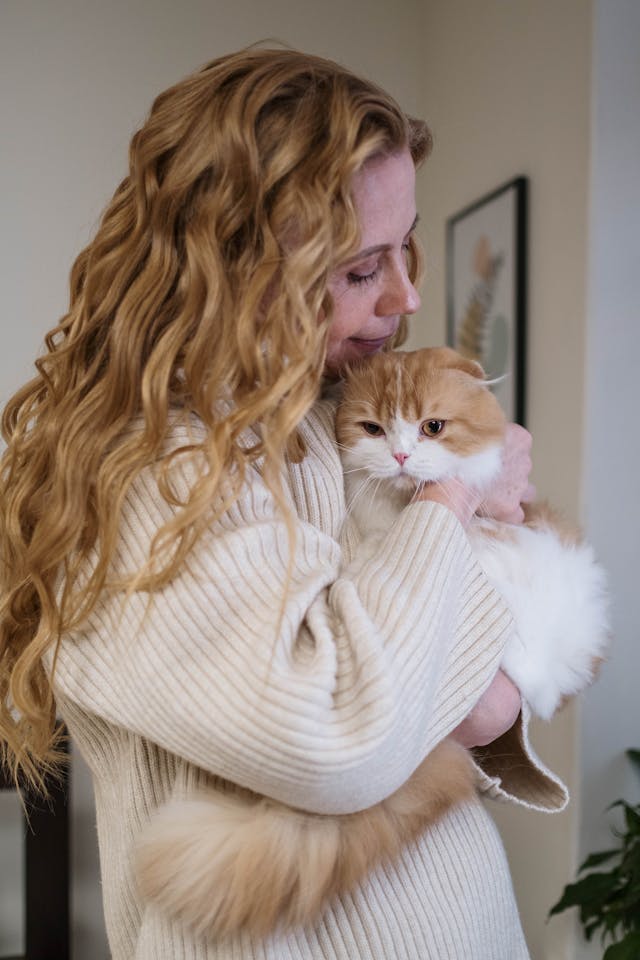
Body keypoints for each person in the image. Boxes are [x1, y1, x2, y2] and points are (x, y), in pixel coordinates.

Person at [0, 47, 568, 959]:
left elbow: (490, 696)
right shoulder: (147, 474)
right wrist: (457, 490)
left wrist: (473, 680)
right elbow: (338, 738)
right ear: (227, 269)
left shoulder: (321, 416)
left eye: (405, 248)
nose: (407, 294)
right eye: (358, 271)